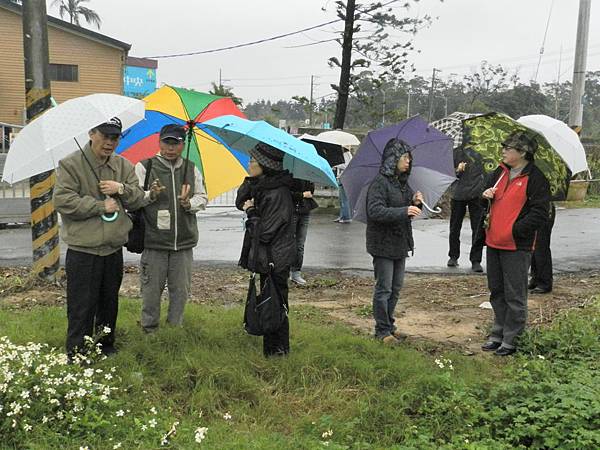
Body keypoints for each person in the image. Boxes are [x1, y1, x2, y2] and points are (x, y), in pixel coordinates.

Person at [54, 117, 158, 358]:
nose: (110, 142)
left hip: (112, 249)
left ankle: (105, 346)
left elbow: (136, 198)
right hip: (84, 250)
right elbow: (63, 200)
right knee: (82, 305)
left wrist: (119, 188)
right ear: (91, 133)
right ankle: (78, 352)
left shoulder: (123, 165)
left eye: (115, 137)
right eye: (105, 135)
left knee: (109, 302)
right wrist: (100, 206)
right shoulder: (71, 164)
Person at [480, 131, 550, 356]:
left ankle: (513, 338)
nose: (503, 151)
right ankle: (498, 332)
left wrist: (514, 230)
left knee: (515, 294)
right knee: (496, 291)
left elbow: (540, 214)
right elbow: (486, 205)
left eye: (508, 148)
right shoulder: (499, 173)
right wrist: (486, 196)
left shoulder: (536, 179)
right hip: (493, 242)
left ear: (522, 153)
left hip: (516, 246)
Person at [135, 124, 208, 333]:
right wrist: (151, 195)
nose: (170, 148)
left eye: (175, 143)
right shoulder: (145, 167)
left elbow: (202, 197)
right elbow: (134, 200)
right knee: (150, 292)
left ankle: (174, 330)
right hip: (154, 242)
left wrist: (189, 204)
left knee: (180, 292)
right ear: (159, 142)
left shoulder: (191, 168)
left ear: (183, 145)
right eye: (167, 142)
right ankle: (149, 331)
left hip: (183, 243)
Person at [236, 142, 295, 357]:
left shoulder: (277, 193)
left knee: (276, 302)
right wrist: (250, 181)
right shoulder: (263, 186)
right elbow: (239, 201)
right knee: (270, 300)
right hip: (268, 257)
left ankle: (278, 351)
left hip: (275, 258)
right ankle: (273, 350)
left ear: (265, 165)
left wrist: (252, 212)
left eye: (252, 161)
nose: (249, 164)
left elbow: (266, 231)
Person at [366, 138, 423, 345]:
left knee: (395, 288)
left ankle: (389, 325)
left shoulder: (402, 184)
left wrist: (415, 203)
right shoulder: (380, 183)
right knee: (384, 289)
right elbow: (374, 211)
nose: (408, 161)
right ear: (393, 158)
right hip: (382, 244)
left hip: (399, 243)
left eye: (409, 157)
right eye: (404, 157)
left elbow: (405, 211)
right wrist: (404, 210)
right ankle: (382, 331)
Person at [447, 146, 485, 272]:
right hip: (458, 193)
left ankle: (476, 260)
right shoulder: (456, 152)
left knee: (478, 227)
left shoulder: (481, 150)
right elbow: (448, 173)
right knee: (455, 226)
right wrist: (457, 170)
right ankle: (453, 256)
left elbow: (487, 170)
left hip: (477, 193)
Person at [289, 178, 318, 285]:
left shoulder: (307, 174)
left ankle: (296, 272)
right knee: (289, 242)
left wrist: (309, 191)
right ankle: (285, 270)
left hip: (304, 210)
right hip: (291, 211)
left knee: (300, 244)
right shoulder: (288, 173)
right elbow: (286, 193)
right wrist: (301, 195)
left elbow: (310, 191)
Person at [528, 203, 556, 294]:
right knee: (534, 247)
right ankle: (535, 278)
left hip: (543, 211)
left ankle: (545, 282)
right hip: (535, 210)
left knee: (541, 247)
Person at [334, 147, 353, 223]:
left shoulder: (347, 154)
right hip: (341, 177)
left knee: (344, 199)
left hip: (345, 178)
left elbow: (346, 165)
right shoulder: (344, 154)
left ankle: (346, 217)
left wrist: (337, 165)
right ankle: (342, 216)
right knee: (342, 199)